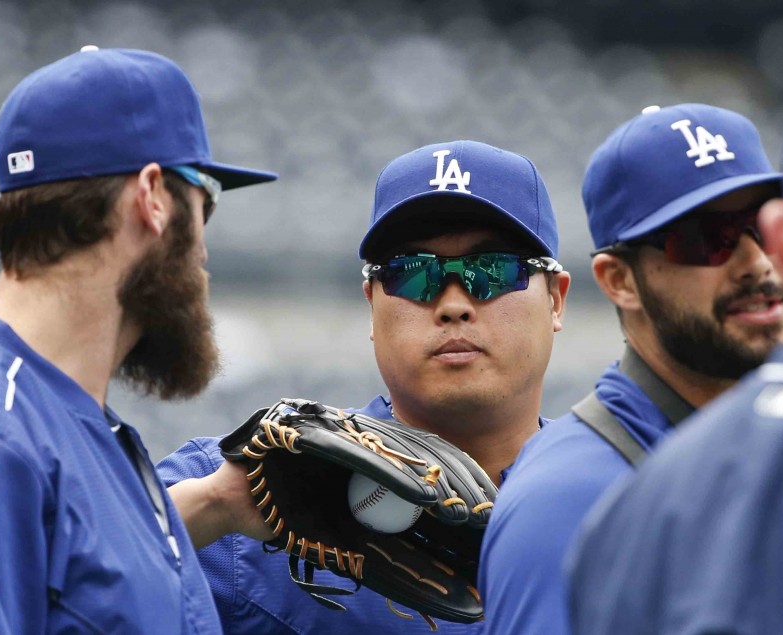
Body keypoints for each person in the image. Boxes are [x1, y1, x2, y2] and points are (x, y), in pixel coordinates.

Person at [0, 47, 276, 634]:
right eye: (206, 203)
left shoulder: (58, 419)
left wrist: (220, 503)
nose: (202, 250)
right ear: (152, 198)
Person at [567, 43, 783, 635]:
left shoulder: (635, 505)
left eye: (751, 227)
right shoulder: (581, 488)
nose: (748, 260)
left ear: (780, 239)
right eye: (707, 237)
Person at [158, 140, 571, 633]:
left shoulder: (621, 500)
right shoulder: (244, 487)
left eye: (493, 271)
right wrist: (212, 507)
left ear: (556, 301)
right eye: (413, 274)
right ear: (371, 303)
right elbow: (56, 583)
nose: (454, 304)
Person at [479, 103, 783, 634]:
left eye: (762, 226)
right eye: (706, 238)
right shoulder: (569, 502)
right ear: (620, 281)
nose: (756, 263)